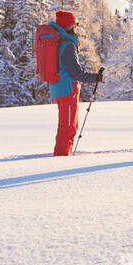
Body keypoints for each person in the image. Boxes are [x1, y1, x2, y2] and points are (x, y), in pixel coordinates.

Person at [47, 10, 103, 156]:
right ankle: (61, 158)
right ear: (69, 26)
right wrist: (95, 78)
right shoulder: (67, 46)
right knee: (68, 126)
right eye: (75, 24)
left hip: (58, 88)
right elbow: (76, 73)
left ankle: (63, 154)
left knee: (66, 124)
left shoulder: (57, 42)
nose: (76, 27)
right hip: (67, 90)